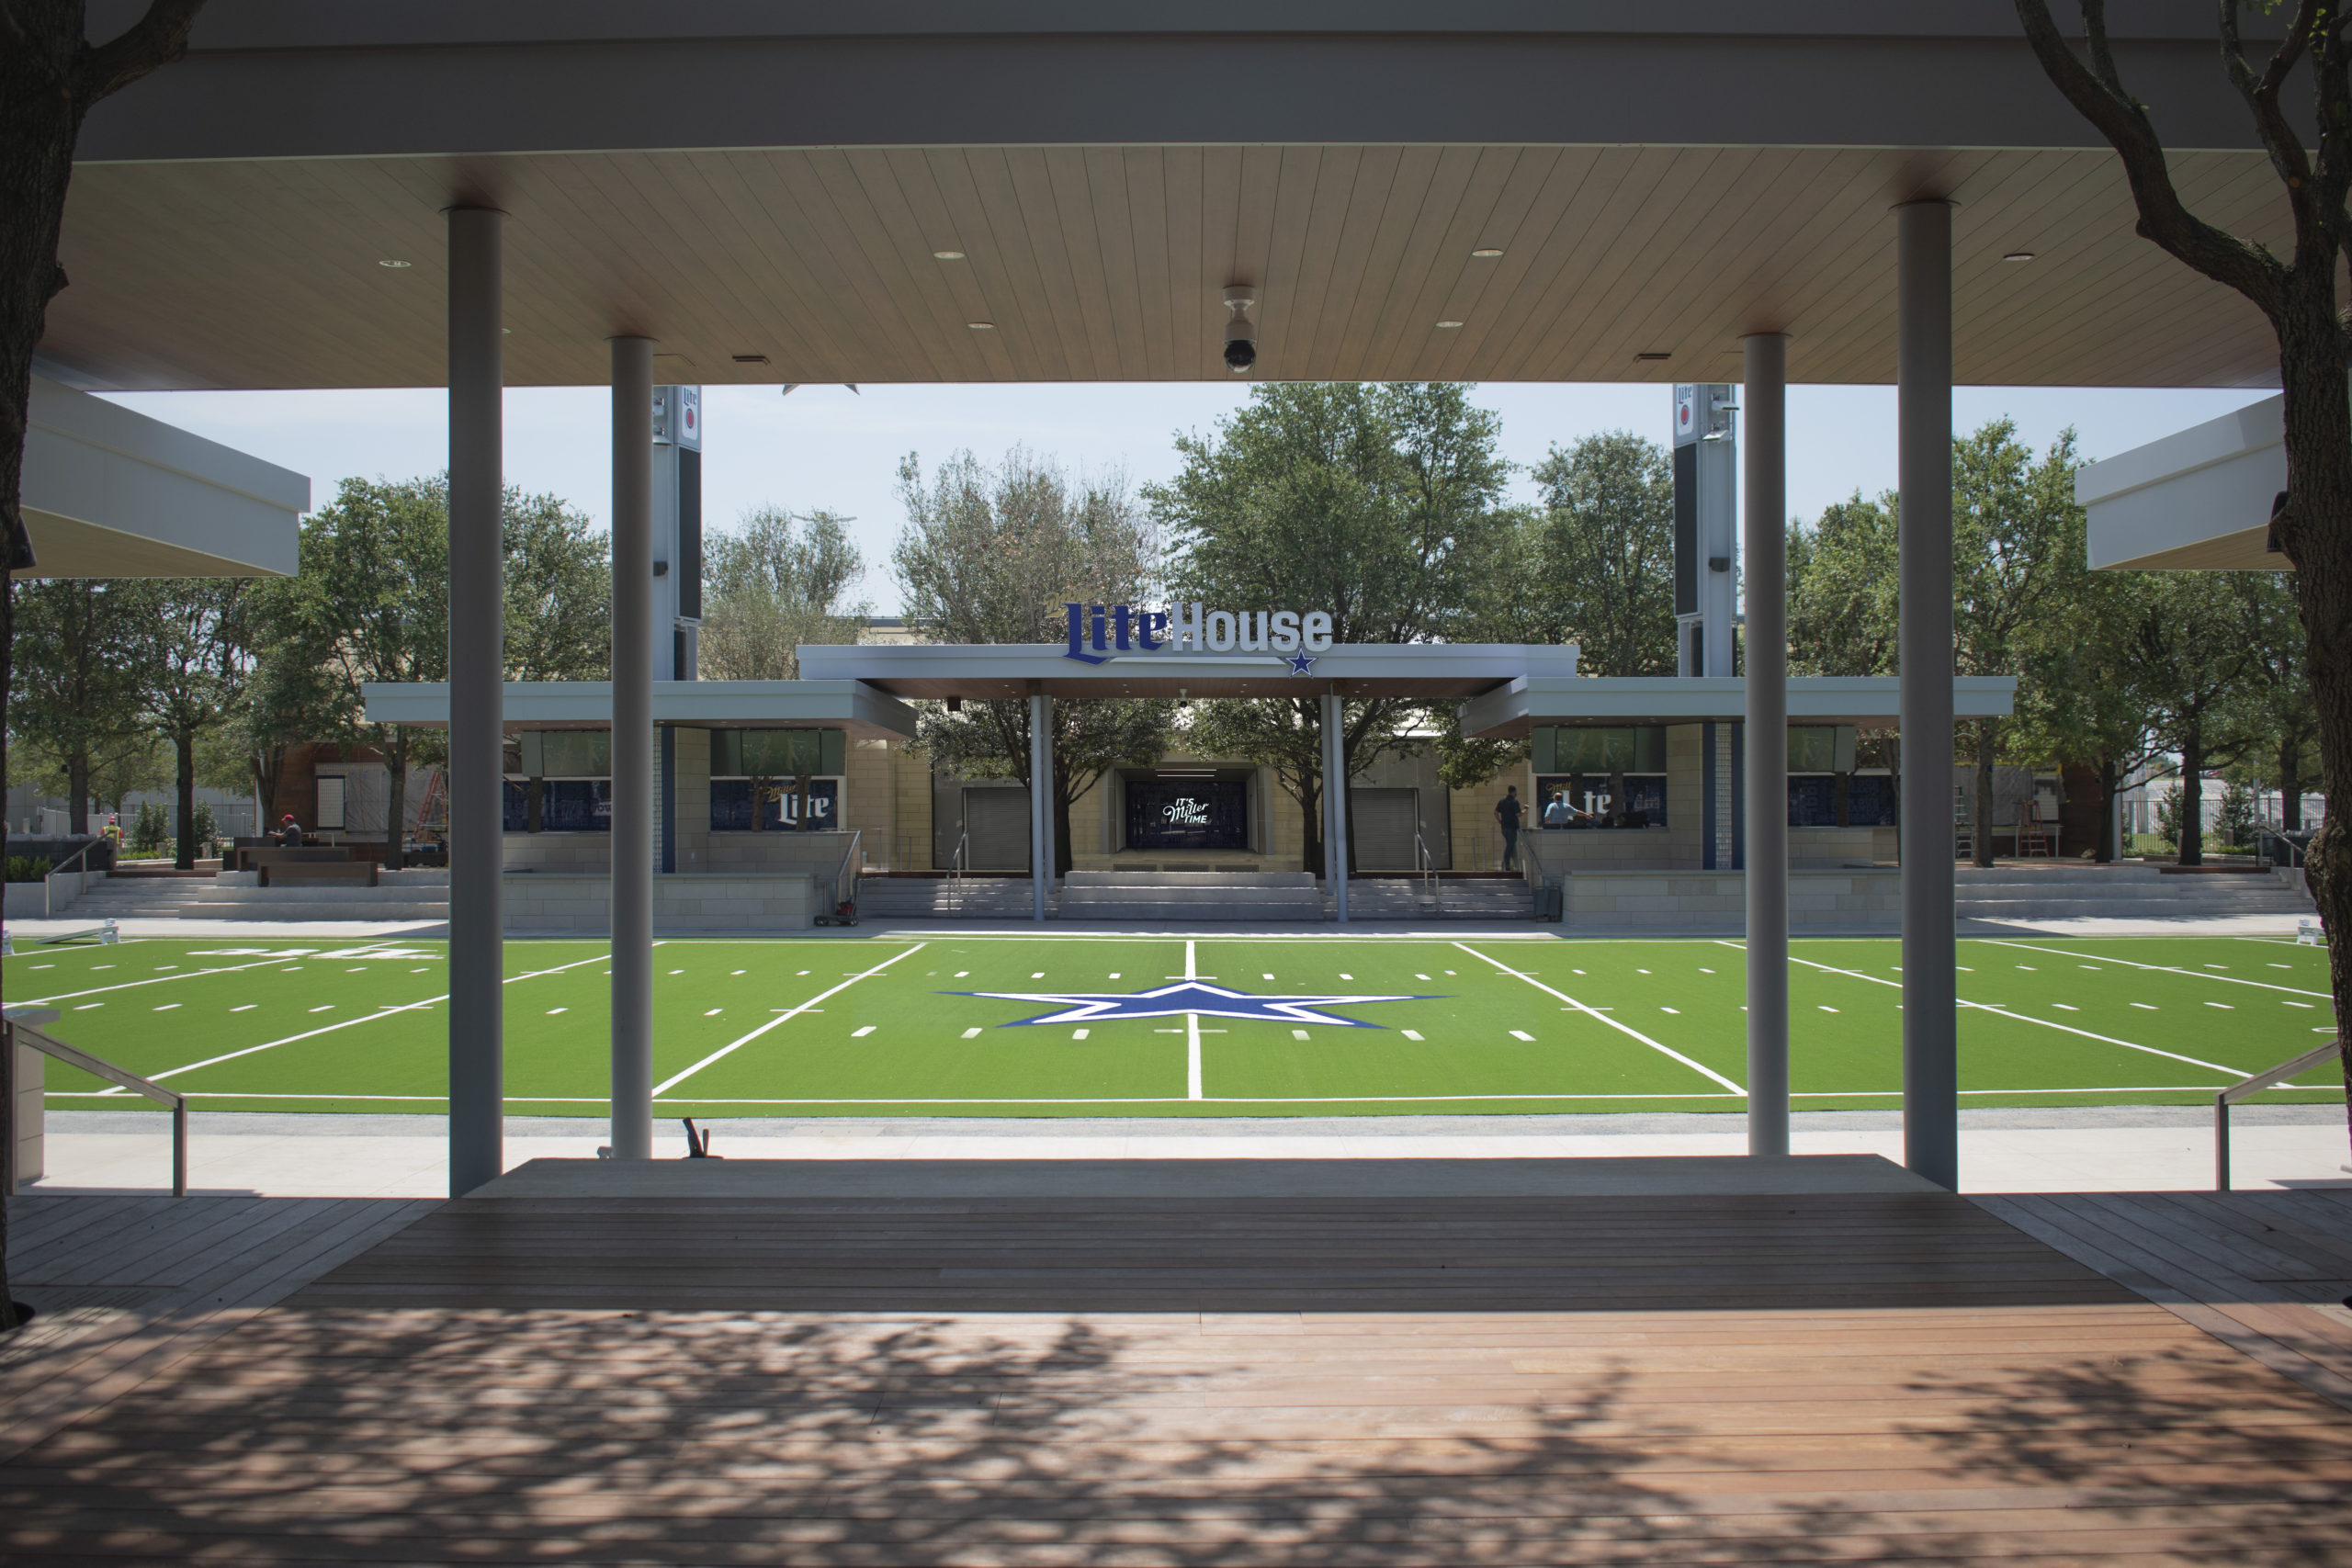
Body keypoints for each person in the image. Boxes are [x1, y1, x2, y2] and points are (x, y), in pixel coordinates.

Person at [1495, 784, 1523, 871]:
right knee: (1510, 845)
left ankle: (1516, 865)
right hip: (1512, 827)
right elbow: (1518, 814)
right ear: (1514, 792)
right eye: (1516, 792)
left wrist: (1500, 821)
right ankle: (1506, 864)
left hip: (1504, 827)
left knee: (1512, 845)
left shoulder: (1502, 801)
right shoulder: (1514, 801)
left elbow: (1496, 812)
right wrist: (1525, 809)